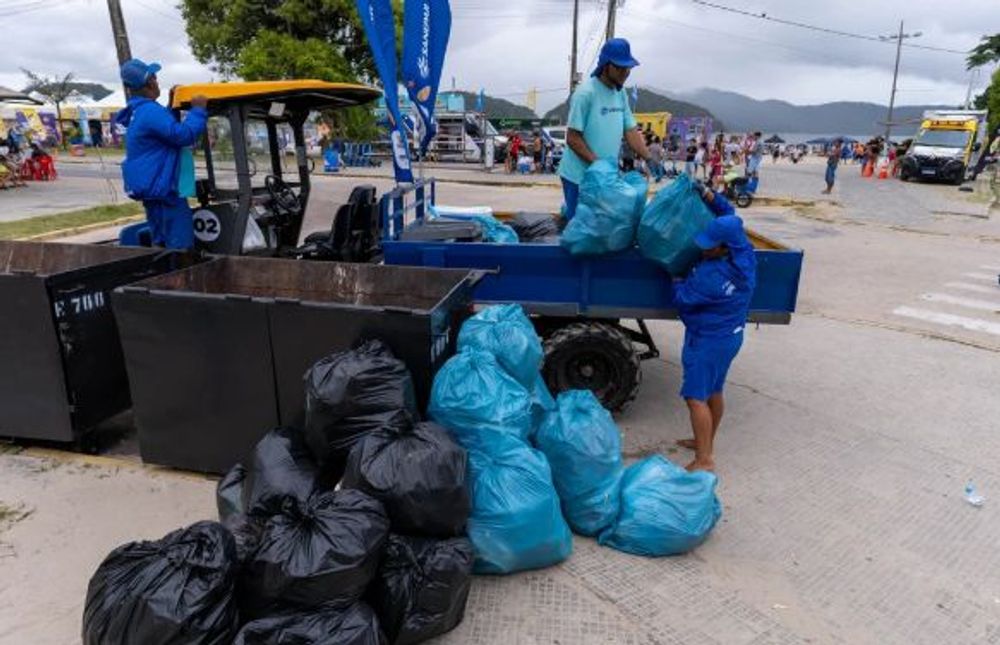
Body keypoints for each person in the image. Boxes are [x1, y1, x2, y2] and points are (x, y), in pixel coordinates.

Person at [673, 183, 756, 472]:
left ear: (723, 248)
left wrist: (676, 278)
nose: (703, 248)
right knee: (714, 391)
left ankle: (704, 459)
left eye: (709, 245)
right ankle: (705, 442)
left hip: (709, 340)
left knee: (695, 397)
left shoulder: (711, 277)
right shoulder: (743, 254)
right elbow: (729, 215)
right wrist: (709, 194)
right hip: (729, 337)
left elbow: (683, 299)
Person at [115, 58, 208, 249]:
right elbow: (183, 136)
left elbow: (163, 131)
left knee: (161, 242)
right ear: (150, 82)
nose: (157, 82)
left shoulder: (139, 111)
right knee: (180, 246)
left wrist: (171, 106)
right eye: (155, 77)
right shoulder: (150, 111)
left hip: (153, 191)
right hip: (165, 192)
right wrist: (198, 110)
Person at [557, 37, 651, 220]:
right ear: (606, 65)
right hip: (578, 177)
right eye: (621, 67)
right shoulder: (585, 93)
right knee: (579, 227)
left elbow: (630, 130)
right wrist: (599, 164)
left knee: (600, 226)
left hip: (604, 177)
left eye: (628, 68)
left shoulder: (620, 94)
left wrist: (649, 157)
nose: (626, 72)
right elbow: (573, 138)